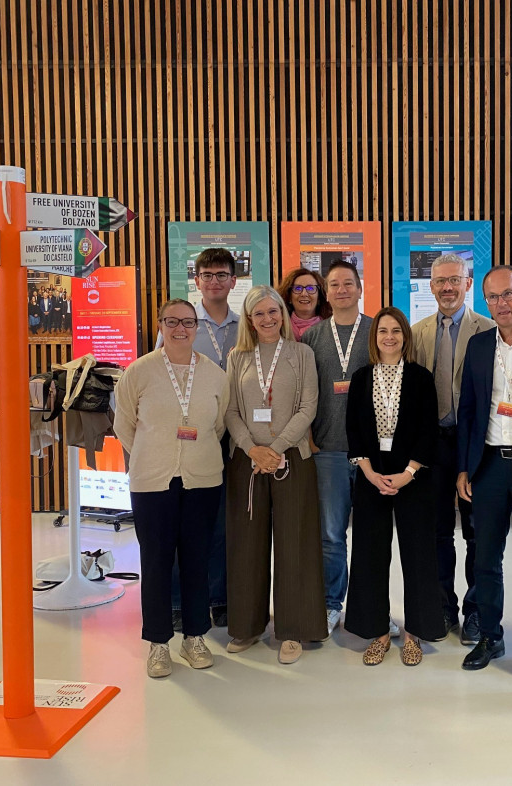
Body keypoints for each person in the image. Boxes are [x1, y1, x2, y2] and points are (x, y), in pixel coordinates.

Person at [113, 298, 230, 678]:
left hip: (203, 478)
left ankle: (194, 637)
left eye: (188, 322)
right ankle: (159, 643)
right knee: (157, 562)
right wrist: (153, 452)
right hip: (152, 481)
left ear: (197, 328)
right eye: (172, 321)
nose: (181, 329)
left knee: (197, 559)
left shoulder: (214, 374)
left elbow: (218, 426)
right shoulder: (139, 372)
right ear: (160, 325)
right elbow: (124, 425)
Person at [223, 285, 326, 664]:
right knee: (246, 545)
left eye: (273, 312)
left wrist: (276, 449)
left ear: (283, 314)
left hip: (292, 458)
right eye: (259, 314)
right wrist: (253, 450)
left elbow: (308, 407)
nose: (268, 319)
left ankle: (293, 630)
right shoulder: (237, 357)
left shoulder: (302, 353)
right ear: (249, 320)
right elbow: (231, 411)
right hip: (247, 461)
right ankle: (247, 627)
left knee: (294, 544)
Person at [456, 265, 512, 681]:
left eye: (508, 294)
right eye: (492, 297)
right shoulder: (477, 346)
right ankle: (490, 636)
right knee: (485, 558)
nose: (501, 304)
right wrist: (464, 466)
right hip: (489, 465)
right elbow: (468, 411)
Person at [344, 307, 444, 665]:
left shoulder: (420, 377)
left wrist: (408, 473)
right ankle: (378, 632)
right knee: (370, 554)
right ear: (375, 338)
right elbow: (354, 430)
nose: (389, 337)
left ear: (405, 336)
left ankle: (415, 633)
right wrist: (369, 473)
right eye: (383, 331)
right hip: (371, 475)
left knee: (418, 555)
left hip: (412, 477)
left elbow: (427, 431)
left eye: (396, 331)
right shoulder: (361, 377)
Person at [301, 260, 393, 636]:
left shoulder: (378, 332)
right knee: (332, 536)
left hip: (373, 452)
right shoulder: (312, 338)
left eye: (348, 283)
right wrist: (307, 436)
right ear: (327, 291)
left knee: (373, 537)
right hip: (329, 451)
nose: (341, 290)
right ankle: (330, 604)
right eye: (334, 284)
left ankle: (374, 610)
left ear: (359, 288)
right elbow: (304, 394)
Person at [412, 253, 494, 643]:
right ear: (431, 286)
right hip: (434, 446)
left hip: (474, 445)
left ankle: (476, 612)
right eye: (440, 281)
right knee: (437, 532)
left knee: (477, 533)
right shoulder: (417, 332)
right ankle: (443, 607)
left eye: (454, 280)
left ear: (467, 284)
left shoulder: (489, 329)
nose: (447, 287)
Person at [156, 247, 239, 630]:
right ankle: (176, 601)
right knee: (178, 521)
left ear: (233, 280)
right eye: (207, 275)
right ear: (197, 280)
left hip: (234, 435)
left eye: (222, 274)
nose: (214, 281)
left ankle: (219, 597)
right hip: (188, 439)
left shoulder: (246, 326)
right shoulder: (182, 322)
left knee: (220, 524)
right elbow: (159, 377)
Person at [278, 267, 332, 340]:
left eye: (310, 288)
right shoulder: (279, 328)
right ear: (289, 297)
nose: (304, 294)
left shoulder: (330, 329)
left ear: (319, 297)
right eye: (297, 288)